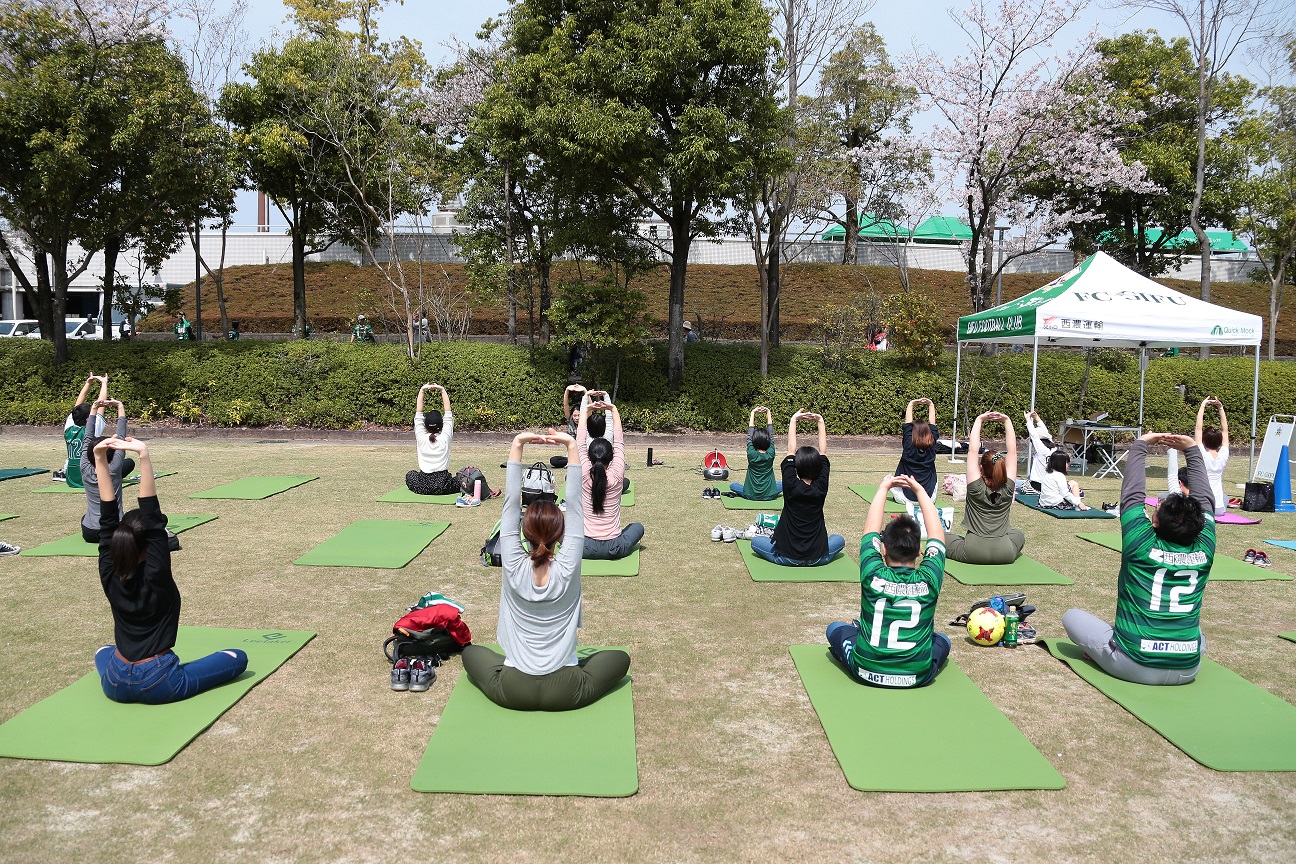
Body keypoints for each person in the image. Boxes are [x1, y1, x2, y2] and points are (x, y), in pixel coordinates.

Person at [461, 431, 630, 711]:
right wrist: (571, 445)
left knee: (472, 653)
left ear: (523, 532)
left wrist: (518, 444)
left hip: (513, 689)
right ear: (561, 534)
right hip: (566, 690)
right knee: (620, 658)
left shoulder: (513, 564)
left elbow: (510, 504)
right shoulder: (568, 566)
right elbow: (575, 505)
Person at [90, 436, 248, 703]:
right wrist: (143, 455)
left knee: (104, 651)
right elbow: (152, 519)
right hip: (158, 681)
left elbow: (107, 520)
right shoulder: (156, 573)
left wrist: (99, 459)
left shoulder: (109, 570)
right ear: (150, 544)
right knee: (236, 658)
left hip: (115, 681)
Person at [1063, 432, 1216, 685]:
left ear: (1155, 522)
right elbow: (1205, 502)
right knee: (1195, 631)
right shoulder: (1205, 547)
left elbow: (1132, 496)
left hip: (1133, 664)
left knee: (1071, 617)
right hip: (1188, 668)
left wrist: (1140, 445)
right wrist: (1192, 450)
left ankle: (1110, 649)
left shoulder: (1140, 543)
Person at [826, 475, 949, 688]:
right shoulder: (929, 579)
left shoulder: (872, 573)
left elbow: (870, 532)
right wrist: (920, 491)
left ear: (883, 549)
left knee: (835, 628)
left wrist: (884, 488)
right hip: (916, 676)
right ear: (919, 551)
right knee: (942, 641)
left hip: (866, 671)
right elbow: (937, 536)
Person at [750, 411, 845, 566]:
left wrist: (794, 420)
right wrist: (820, 421)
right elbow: (823, 452)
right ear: (818, 468)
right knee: (839, 540)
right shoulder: (821, 486)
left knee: (755, 542)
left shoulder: (790, 485)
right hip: (818, 558)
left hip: (787, 557)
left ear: (797, 467)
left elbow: (790, 450)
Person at [947, 411, 1025, 565]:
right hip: (1005, 553)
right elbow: (1013, 452)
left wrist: (979, 420)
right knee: (1018, 534)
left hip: (972, 551)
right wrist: (1007, 421)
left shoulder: (975, 486)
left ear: (981, 468)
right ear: (1002, 468)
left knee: (940, 535)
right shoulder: (1009, 486)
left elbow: (972, 451)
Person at [578, 396, 643, 559]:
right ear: (612, 456)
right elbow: (619, 441)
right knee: (637, 527)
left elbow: (580, 442)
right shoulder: (617, 474)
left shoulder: (584, 473)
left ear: (589, 457)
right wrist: (613, 409)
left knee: (560, 526)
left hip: (584, 547)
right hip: (614, 547)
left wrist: (586, 410)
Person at [405, 384, 462, 497]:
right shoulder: (445, 436)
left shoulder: (421, 436)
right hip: (443, 485)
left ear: (425, 425)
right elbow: (448, 413)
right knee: (462, 477)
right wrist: (442, 390)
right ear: (442, 425)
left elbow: (418, 414)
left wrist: (422, 390)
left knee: (410, 474)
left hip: (424, 484)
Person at [60, 374, 109, 486]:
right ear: (88, 419)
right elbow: (101, 404)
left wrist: (88, 383)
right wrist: (104, 383)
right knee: (127, 463)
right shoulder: (92, 429)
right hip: (89, 478)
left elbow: (77, 406)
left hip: (71, 479)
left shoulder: (68, 427)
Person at [892, 398, 938, 505]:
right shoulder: (932, 445)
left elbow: (907, 425)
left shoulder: (908, 445)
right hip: (928, 499)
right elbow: (933, 425)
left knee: (887, 479)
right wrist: (930, 405)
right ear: (929, 434)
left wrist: (911, 404)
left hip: (904, 499)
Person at [1188, 397, 1229, 517]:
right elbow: (1225, 431)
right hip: (1219, 508)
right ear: (1220, 442)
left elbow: (1198, 428)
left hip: (1204, 507)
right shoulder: (1224, 454)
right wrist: (1220, 408)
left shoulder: (1202, 453)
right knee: (1225, 497)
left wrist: (1202, 406)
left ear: (1204, 441)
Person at [730, 406, 781, 501]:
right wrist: (768, 412)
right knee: (783, 483)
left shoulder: (751, 454)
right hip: (770, 495)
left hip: (750, 495)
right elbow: (771, 434)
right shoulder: (770, 453)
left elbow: (750, 435)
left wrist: (753, 413)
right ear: (768, 441)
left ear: (754, 441)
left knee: (733, 485)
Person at [1023, 411, 1061, 492]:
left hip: (1038, 484)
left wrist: (1028, 419)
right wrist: (1037, 418)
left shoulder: (1041, 449)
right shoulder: (1054, 448)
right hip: (1050, 483)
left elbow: (1034, 435)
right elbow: (1045, 432)